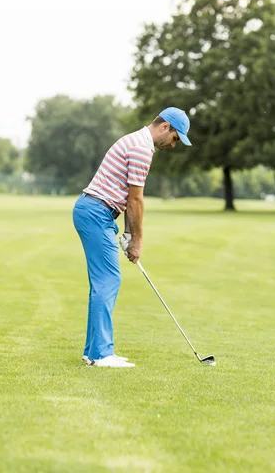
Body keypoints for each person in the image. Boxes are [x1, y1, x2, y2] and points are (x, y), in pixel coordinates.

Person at [72, 107, 192, 368]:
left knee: (102, 281)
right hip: (96, 212)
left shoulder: (137, 141)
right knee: (108, 279)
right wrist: (136, 240)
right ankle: (102, 354)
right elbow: (136, 199)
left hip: (97, 211)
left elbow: (128, 197)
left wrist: (127, 233)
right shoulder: (141, 148)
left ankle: (94, 351)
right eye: (174, 138)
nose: (173, 145)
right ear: (164, 127)